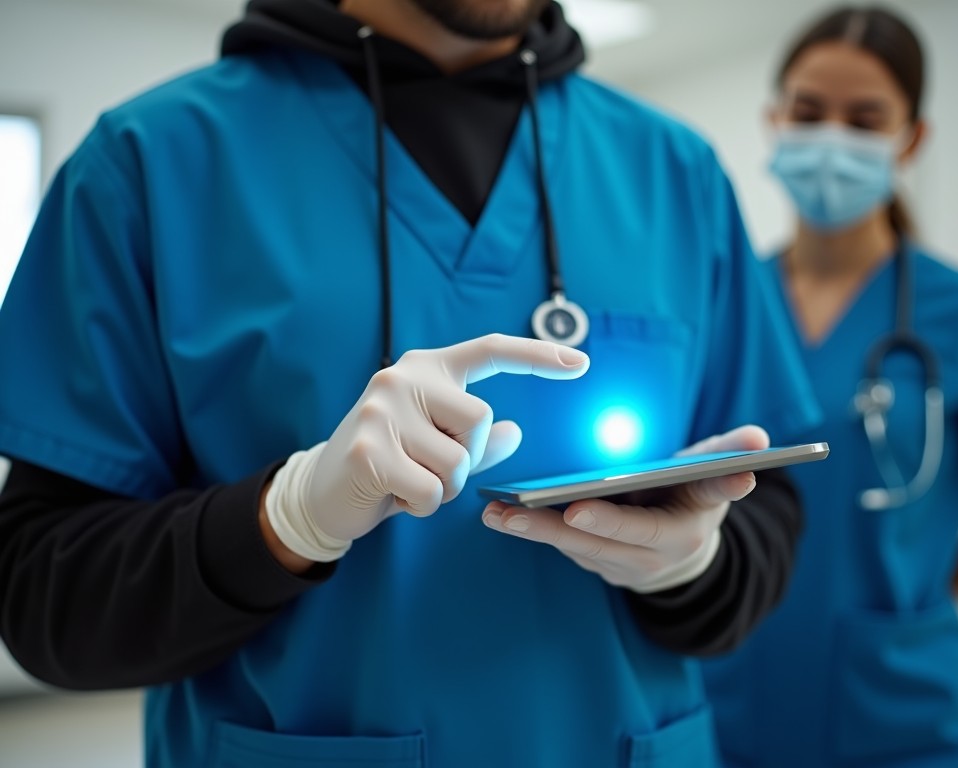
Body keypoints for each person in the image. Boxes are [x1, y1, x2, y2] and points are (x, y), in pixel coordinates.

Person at [0, 1, 818, 766]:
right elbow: (47, 600)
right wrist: (287, 519)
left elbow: (770, 508)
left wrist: (690, 567)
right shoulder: (151, 164)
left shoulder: (675, 172)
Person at [701, 6, 958, 767]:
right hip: (726, 690)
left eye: (864, 118)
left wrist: (912, 600)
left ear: (911, 138)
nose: (831, 139)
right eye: (809, 113)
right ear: (774, 120)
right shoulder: (721, 302)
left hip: (900, 708)